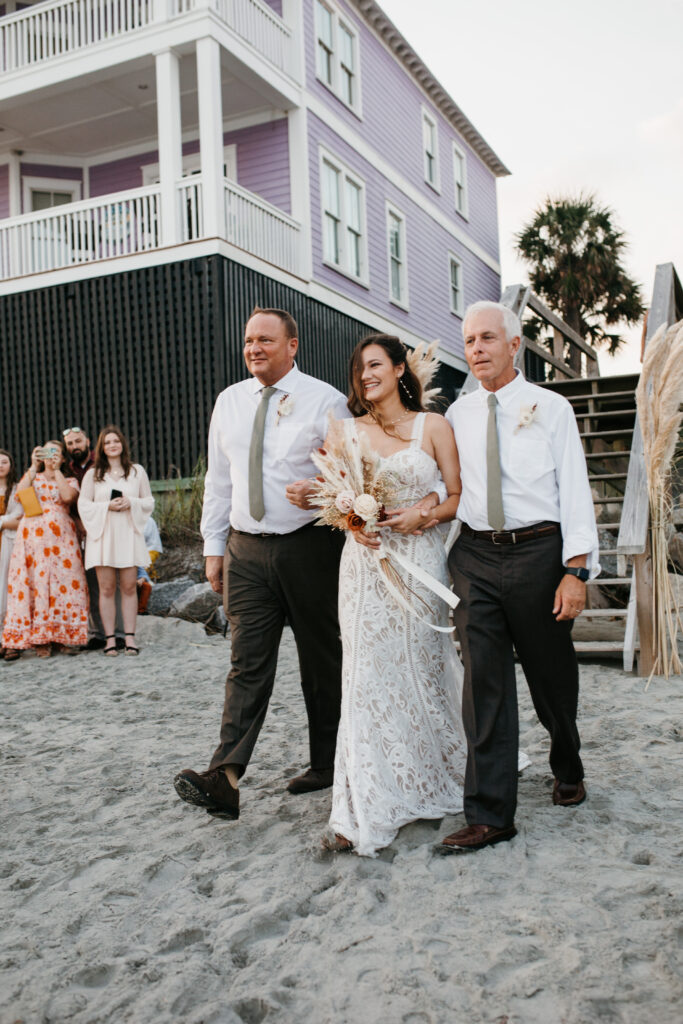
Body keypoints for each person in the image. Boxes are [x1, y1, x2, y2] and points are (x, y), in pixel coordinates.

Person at [435, 300, 600, 854]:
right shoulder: (456, 416)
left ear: (513, 344)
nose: (476, 349)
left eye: (486, 338)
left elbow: (575, 492)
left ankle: (567, 761)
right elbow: (444, 488)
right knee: (483, 684)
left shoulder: (550, 408)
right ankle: (489, 814)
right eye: (468, 341)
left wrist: (575, 572)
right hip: (475, 560)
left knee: (551, 676)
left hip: (539, 554)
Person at [173, 307, 349, 821]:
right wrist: (213, 546)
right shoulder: (229, 401)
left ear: (292, 346)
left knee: (322, 659)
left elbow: (349, 477)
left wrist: (319, 491)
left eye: (266, 340)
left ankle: (328, 762)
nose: (254, 348)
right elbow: (219, 480)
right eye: (249, 340)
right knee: (247, 660)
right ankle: (224, 776)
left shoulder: (325, 400)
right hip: (245, 550)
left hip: (310, 546)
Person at [313, 335, 467, 856]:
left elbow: (458, 496)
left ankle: (431, 777)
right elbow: (336, 500)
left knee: (423, 668)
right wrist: (354, 523)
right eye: (358, 369)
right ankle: (361, 804)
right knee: (364, 678)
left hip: (420, 562)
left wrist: (425, 511)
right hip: (364, 567)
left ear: (400, 369)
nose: (365, 376)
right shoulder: (342, 431)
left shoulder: (434, 426)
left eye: (375, 365)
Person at [2, 442, 88, 659]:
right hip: (33, 537)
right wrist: (33, 466)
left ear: (62, 457)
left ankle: (62, 637)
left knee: (65, 584)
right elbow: (21, 495)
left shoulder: (69, 479)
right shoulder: (34, 478)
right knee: (37, 584)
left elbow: (68, 497)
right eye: (47, 452)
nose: (51, 457)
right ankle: (40, 639)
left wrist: (57, 469)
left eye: (55, 453)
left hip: (62, 540)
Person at [78, 426, 154, 656]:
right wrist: (106, 506)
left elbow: (149, 500)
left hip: (128, 534)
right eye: (107, 442)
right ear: (101, 447)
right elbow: (84, 504)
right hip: (103, 535)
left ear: (122, 444)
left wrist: (131, 502)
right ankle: (110, 638)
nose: (112, 445)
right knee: (107, 588)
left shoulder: (137, 471)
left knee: (130, 586)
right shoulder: (94, 474)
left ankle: (129, 637)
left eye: (116, 441)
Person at [62, 426, 106, 649]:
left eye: (78, 442)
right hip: (82, 533)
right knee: (92, 582)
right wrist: (78, 522)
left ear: (88, 441)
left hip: (105, 527)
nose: (74, 447)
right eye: (70, 444)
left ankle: (116, 631)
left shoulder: (102, 463)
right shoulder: (68, 469)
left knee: (110, 581)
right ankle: (98, 632)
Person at [0, 450, 22, 644]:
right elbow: (11, 519)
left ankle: (9, 637)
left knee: (8, 589)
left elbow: (20, 519)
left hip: (9, 544)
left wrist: (3, 522)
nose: (0, 465)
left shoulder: (17, 489)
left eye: (4, 462)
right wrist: (5, 520)